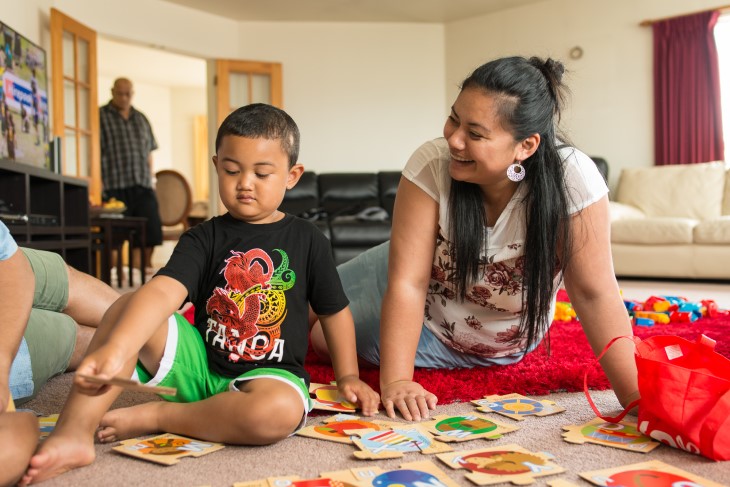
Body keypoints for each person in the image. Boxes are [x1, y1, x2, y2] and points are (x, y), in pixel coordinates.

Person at [22, 103, 379, 485]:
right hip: (200, 366)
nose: (245, 182)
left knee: (276, 413)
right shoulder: (204, 237)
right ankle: (74, 432)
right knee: (129, 306)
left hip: (269, 375)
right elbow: (163, 293)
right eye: (231, 170)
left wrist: (347, 375)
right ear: (216, 165)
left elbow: (334, 310)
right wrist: (117, 348)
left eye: (261, 173)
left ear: (292, 176)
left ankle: (161, 417)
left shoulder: (308, 240)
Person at [311, 55, 639, 422]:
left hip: (454, 329)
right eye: (454, 118)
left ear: (526, 146)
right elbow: (408, 280)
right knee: (308, 297)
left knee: (324, 340)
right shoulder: (432, 162)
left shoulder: (572, 179)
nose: (453, 139)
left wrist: (636, 399)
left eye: (476, 133)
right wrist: (398, 380)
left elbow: (595, 293)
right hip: (409, 269)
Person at [0, 220, 120, 486]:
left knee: (55, 276)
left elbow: (11, 264)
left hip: (12, 268)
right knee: (74, 335)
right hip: (21, 350)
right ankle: (162, 330)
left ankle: (164, 321)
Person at [99, 77, 163, 269]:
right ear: (112, 92)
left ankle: (140, 273)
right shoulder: (100, 116)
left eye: (128, 94)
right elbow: (94, 153)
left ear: (132, 93)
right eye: (120, 93)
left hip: (142, 185)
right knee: (114, 238)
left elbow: (149, 153)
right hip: (114, 187)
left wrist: (151, 178)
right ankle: (114, 277)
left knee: (150, 232)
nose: (125, 98)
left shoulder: (141, 118)